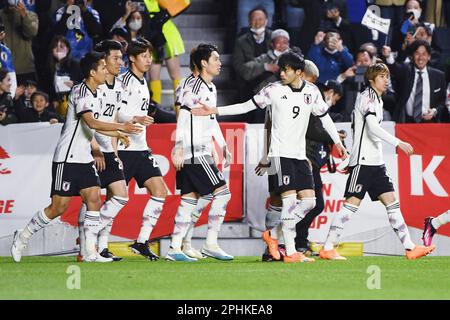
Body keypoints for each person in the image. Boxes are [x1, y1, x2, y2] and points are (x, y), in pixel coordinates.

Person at [193, 51, 347, 263]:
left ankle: (273, 235)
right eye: (280, 69)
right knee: (290, 202)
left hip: (300, 156)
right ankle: (291, 251)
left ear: (299, 72)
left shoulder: (312, 91)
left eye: (286, 70)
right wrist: (214, 110)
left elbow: (325, 118)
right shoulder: (273, 90)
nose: (282, 73)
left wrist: (337, 142)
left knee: (310, 203)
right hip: (279, 154)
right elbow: (246, 106)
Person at [10, 51, 142, 263]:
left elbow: (96, 129)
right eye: (102, 68)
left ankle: (90, 252)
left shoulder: (97, 94)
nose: (106, 70)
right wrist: (120, 127)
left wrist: (118, 134)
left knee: (94, 200)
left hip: (84, 159)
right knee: (57, 208)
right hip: (67, 158)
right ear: (92, 72)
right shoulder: (80, 92)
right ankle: (22, 236)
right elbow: (92, 123)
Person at [319, 61, 436, 261]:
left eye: (387, 76)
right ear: (372, 80)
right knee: (350, 206)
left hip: (376, 164)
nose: (386, 80)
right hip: (363, 162)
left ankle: (409, 247)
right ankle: (328, 247)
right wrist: (399, 142)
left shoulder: (378, 100)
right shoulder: (367, 97)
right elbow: (372, 128)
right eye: (382, 76)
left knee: (392, 203)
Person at [168, 44, 233, 262]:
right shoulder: (192, 87)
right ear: (204, 63)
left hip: (201, 150)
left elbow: (211, 119)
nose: (220, 63)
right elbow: (183, 117)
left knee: (189, 200)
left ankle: (175, 248)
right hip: (194, 151)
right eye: (216, 59)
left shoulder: (210, 88)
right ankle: (210, 244)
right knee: (223, 193)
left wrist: (222, 145)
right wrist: (178, 147)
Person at [77, 40, 131, 262]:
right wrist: (95, 148)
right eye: (116, 58)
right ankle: (85, 247)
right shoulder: (92, 88)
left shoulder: (117, 86)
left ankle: (99, 245)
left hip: (109, 149)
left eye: (121, 57)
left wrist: (115, 147)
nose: (120, 62)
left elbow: (115, 117)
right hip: (92, 149)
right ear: (104, 60)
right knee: (91, 199)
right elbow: (88, 123)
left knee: (117, 196)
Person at [117, 38, 167, 261]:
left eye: (150, 56)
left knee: (160, 191)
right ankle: (94, 244)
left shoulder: (143, 81)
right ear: (132, 59)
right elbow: (115, 114)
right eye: (145, 56)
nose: (149, 60)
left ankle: (141, 241)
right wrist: (135, 117)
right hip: (123, 147)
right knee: (114, 198)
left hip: (141, 148)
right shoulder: (123, 81)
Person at [382, 40, 446, 123]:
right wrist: (388, 56)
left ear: (429, 56)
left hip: (430, 124)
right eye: (417, 53)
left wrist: (434, 111)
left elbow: (442, 101)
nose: (420, 58)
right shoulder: (405, 71)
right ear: (412, 56)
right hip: (406, 123)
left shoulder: (439, 76)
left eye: (424, 54)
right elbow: (394, 67)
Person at [143, 0, 184, 109]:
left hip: (166, 33)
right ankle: (155, 112)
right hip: (150, 34)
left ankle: (179, 109)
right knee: (153, 76)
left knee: (175, 75)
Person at [232, 6, 273, 102]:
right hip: (249, 81)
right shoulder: (241, 41)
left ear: (266, 21)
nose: (257, 23)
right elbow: (239, 67)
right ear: (249, 22)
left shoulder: (275, 37)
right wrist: (265, 67)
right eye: (254, 20)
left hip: (271, 82)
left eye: (260, 19)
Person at [43, 35, 82, 118]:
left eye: (61, 46)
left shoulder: (75, 65)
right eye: (55, 46)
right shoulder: (48, 67)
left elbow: (84, 84)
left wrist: (74, 84)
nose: (58, 49)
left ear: (68, 49)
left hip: (73, 102)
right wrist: (53, 100)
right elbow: (46, 87)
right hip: (54, 104)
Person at [0, 0, 38, 84]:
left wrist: (24, 15)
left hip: (25, 68)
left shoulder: (31, 15)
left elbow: (32, 32)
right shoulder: (1, 15)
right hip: (4, 69)